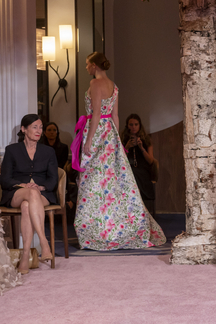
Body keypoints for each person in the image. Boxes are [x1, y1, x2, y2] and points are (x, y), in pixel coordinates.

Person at [72, 52, 166, 250]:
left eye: (88, 64)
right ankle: (114, 228)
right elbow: (115, 116)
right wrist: (116, 142)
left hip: (97, 133)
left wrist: (89, 141)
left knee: (93, 182)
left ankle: (95, 231)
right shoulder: (114, 86)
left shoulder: (95, 84)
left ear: (95, 66)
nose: (87, 68)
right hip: (109, 135)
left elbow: (96, 112)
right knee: (112, 183)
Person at [0, 114, 58, 274]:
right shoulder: (12, 150)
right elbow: (5, 179)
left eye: (40, 127)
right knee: (29, 195)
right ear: (24, 129)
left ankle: (25, 255)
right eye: (35, 127)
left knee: (27, 205)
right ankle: (44, 242)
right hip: (16, 193)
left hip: (42, 194)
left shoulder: (48, 151)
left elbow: (53, 179)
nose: (39, 130)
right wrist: (23, 185)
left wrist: (40, 187)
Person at [121, 114, 156, 215]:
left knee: (135, 174)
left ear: (140, 125)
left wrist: (142, 148)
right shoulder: (123, 138)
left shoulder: (146, 139)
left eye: (136, 124)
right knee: (130, 174)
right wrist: (126, 148)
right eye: (131, 124)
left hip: (142, 170)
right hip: (128, 169)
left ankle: (137, 207)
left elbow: (151, 161)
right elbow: (120, 160)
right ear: (127, 126)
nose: (133, 127)